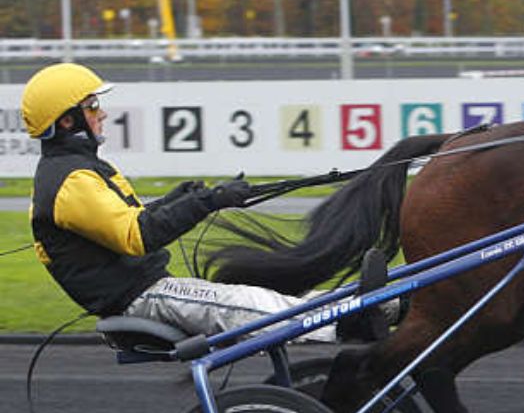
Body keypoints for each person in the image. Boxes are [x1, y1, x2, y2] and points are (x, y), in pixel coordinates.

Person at [23, 62, 386, 343]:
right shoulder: (69, 180)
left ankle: (384, 305)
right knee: (250, 306)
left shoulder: (76, 170)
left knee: (259, 297)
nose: (101, 113)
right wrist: (208, 202)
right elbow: (136, 236)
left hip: (149, 290)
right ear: (68, 121)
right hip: (143, 298)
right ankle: (346, 324)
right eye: (92, 106)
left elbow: (130, 221)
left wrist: (181, 197)